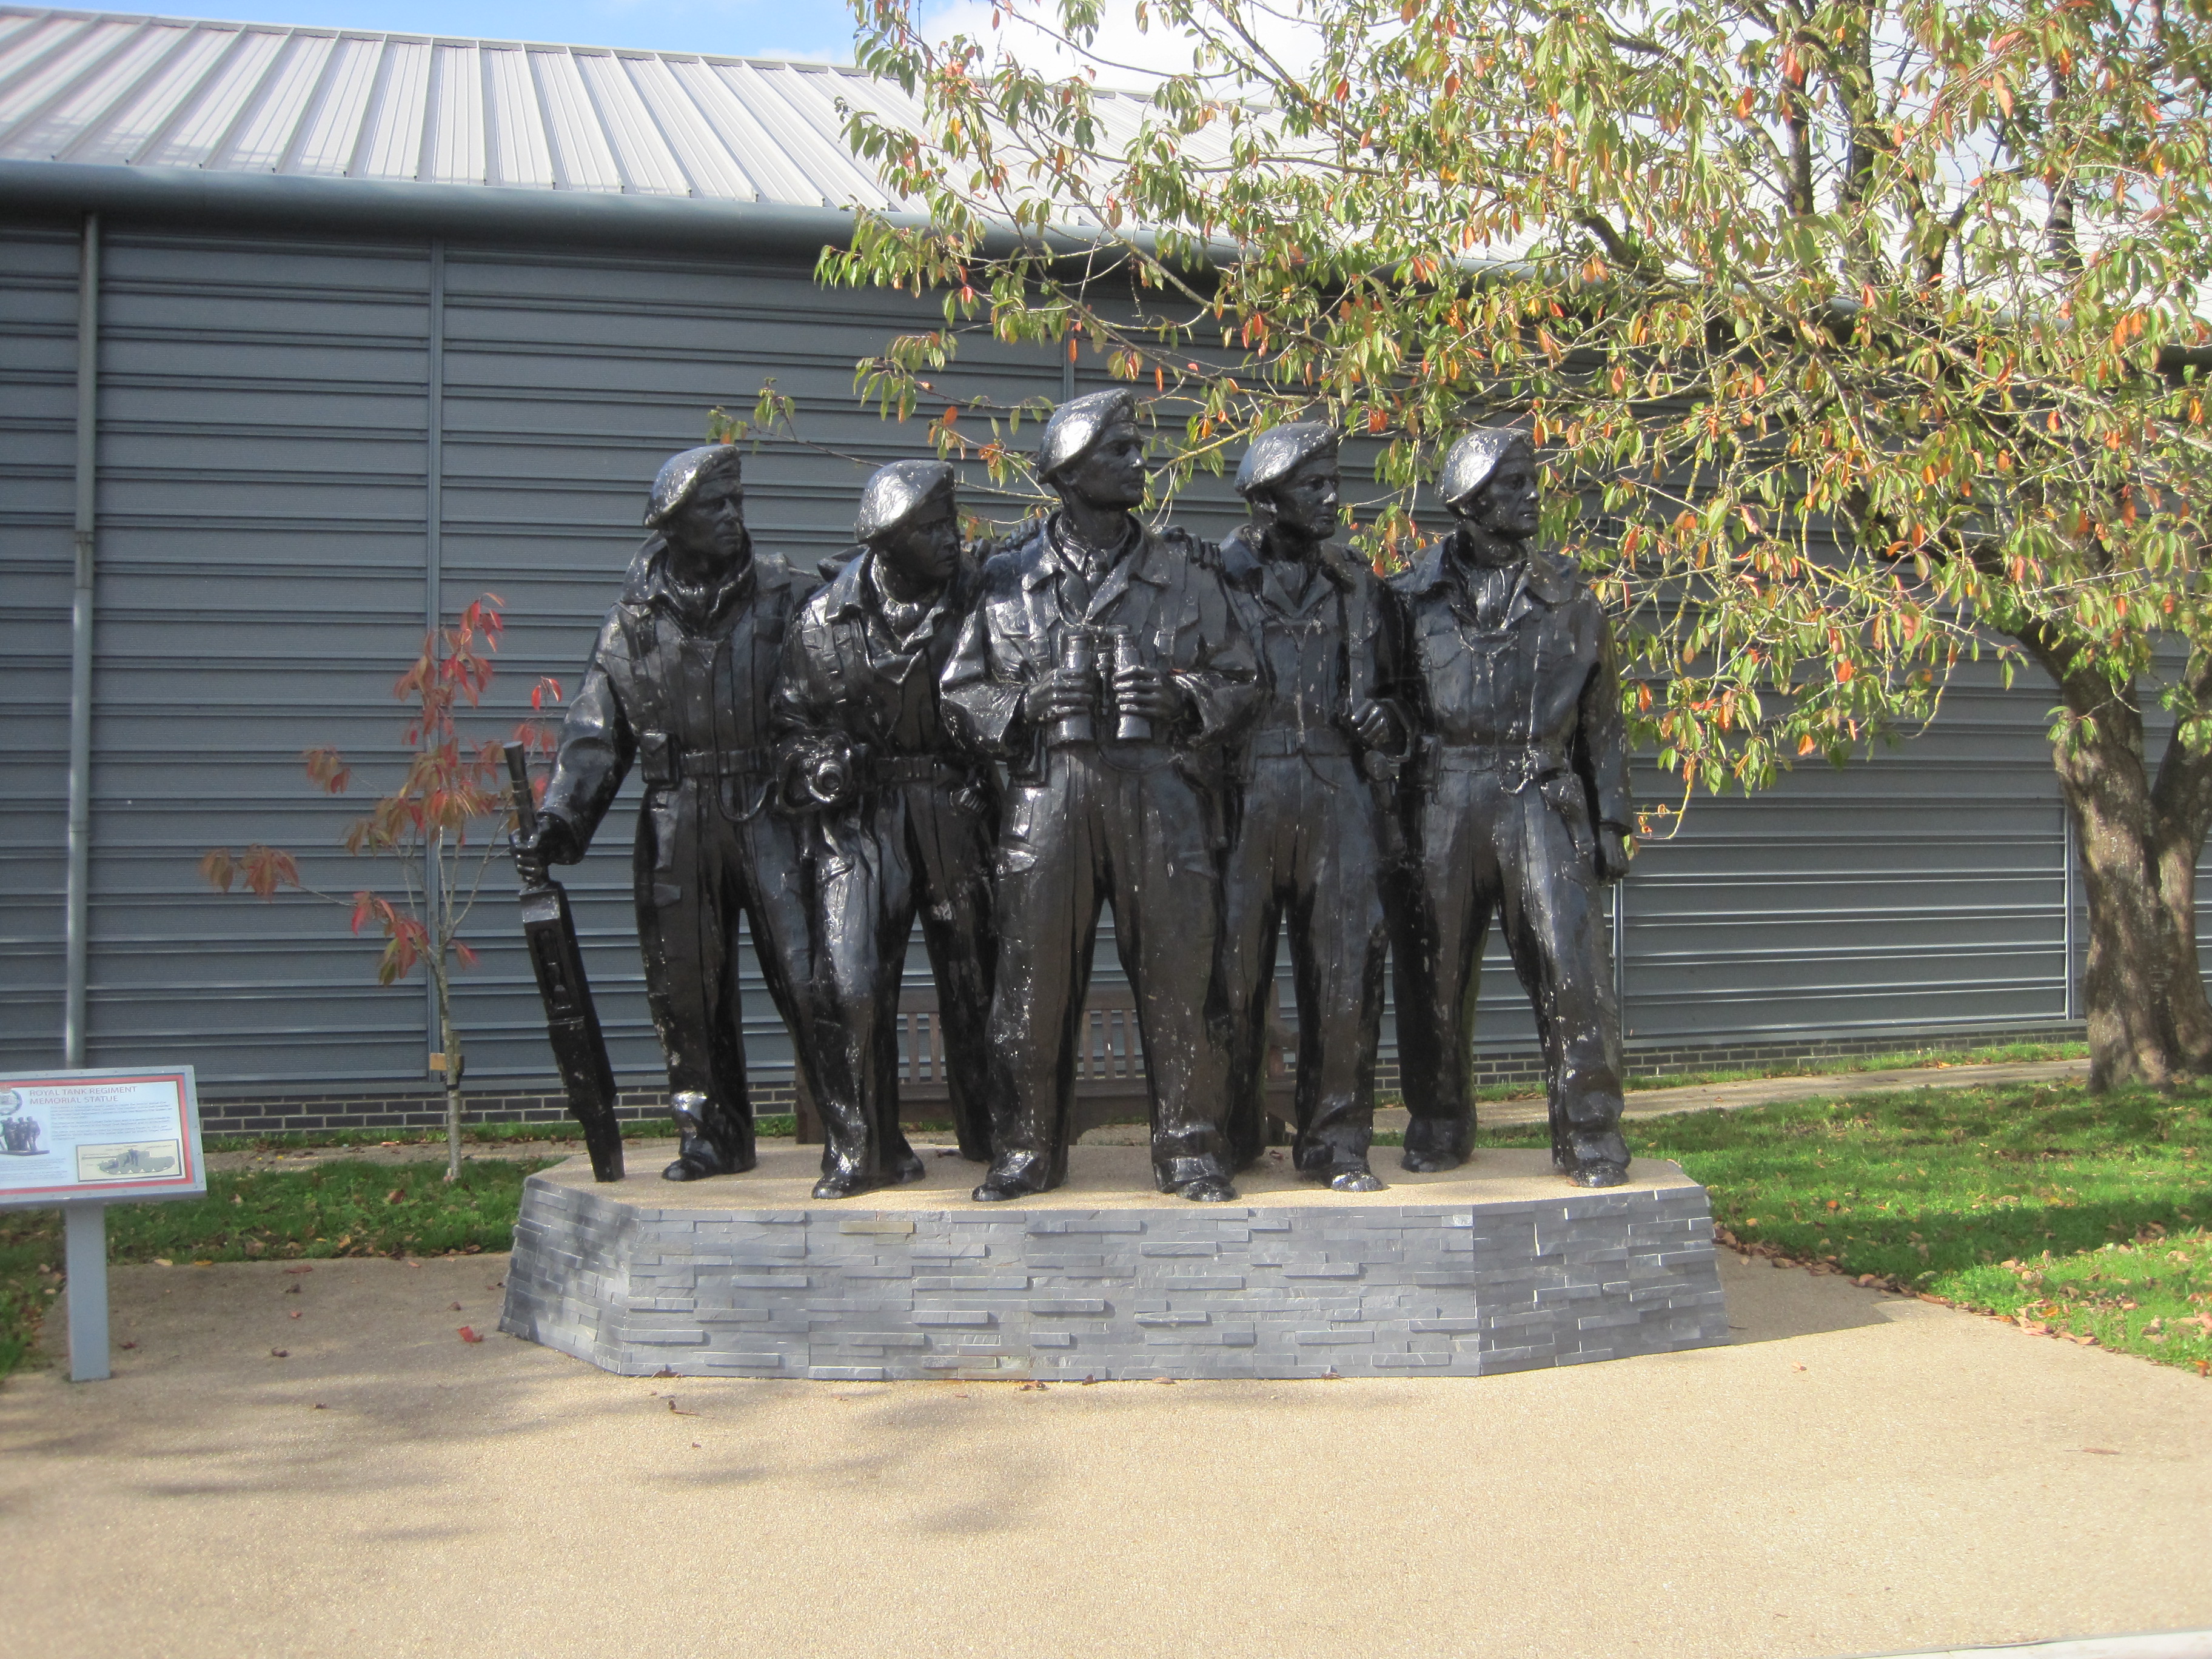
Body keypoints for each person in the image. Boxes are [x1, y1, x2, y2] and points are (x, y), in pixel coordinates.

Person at [940, 389, 1261, 1202]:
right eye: (1119, 451)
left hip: (1162, 795)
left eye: (1135, 448)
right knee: (1033, 983)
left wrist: (1182, 698)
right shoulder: (1008, 578)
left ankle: (1190, 1150)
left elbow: (1241, 678)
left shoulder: (1186, 572)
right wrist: (1023, 706)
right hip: (1050, 795)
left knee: (1184, 978)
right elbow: (960, 691)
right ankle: (1025, 1151)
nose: (1138, 462)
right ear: (1073, 474)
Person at [515, 444, 825, 1182]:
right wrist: (560, 819)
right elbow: (595, 734)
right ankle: (711, 1136)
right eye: (714, 507)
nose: (732, 517)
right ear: (672, 525)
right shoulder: (631, 624)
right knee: (685, 990)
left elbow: (829, 695)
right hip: (674, 819)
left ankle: (856, 1128)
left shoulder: (788, 597)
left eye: (735, 502)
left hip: (768, 808)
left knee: (810, 971)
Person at [1389, 429, 1636, 1187]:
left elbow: (1603, 726)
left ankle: (1589, 1130)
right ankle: (1436, 1120)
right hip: (1442, 796)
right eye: (1516, 485)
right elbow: (1387, 710)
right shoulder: (1404, 601)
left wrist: (1611, 824)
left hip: (1539, 793)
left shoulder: (1572, 603)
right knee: (1433, 971)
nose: (1533, 498)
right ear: (1470, 501)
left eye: (1533, 483)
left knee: (1571, 966)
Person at [773, 459, 1000, 1198]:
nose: (952, 538)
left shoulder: (984, 599)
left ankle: (994, 1134)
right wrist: (818, 763)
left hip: (955, 805)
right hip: (862, 821)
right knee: (853, 981)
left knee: (979, 977)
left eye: (951, 522)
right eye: (934, 528)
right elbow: (790, 727)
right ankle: (862, 1147)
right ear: (887, 544)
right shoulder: (821, 622)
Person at [1214, 423, 1407, 1191]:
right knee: (1231, 977)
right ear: (1267, 496)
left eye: (1334, 481)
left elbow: (1403, 701)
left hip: (1339, 795)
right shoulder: (1213, 580)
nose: (1334, 498)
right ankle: (1229, 1136)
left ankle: (1336, 1143)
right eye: (1315, 485)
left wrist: (1386, 724)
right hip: (1244, 796)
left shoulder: (1359, 586)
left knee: (1346, 973)